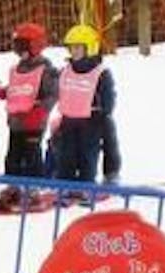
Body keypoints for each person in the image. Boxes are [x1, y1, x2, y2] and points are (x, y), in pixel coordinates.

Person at [0, 22, 59, 212]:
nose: (19, 51)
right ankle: (13, 186)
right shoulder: (16, 69)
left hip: (34, 122)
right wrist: (4, 92)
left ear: (35, 45)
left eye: (23, 46)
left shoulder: (46, 69)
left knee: (31, 155)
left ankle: (33, 189)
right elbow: (17, 89)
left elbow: (53, 93)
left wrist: (41, 110)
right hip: (15, 122)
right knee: (12, 156)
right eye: (17, 46)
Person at [48, 23, 115, 199]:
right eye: (72, 48)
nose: (74, 52)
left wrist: (103, 112)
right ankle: (65, 185)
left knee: (88, 154)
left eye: (78, 47)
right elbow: (57, 90)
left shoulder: (101, 73)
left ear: (89, 48)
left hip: (90, 121)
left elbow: (108, 97)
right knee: (66, 154)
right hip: (68, 119)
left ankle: (86, 185)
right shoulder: (66, 70)